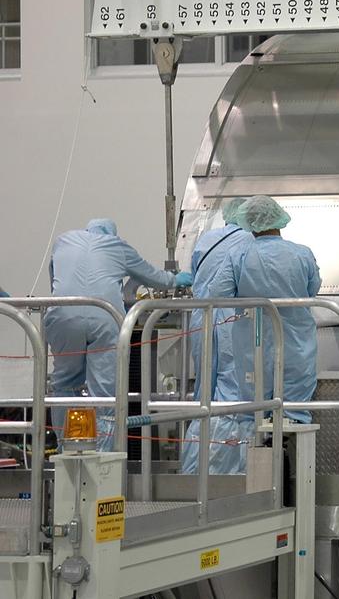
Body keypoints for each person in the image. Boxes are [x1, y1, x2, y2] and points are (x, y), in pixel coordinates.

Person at [47, 219, 191, 447]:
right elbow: (155, 277)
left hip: (63, 315)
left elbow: (56, 281)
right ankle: (102, 460)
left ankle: (67, 450)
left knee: (64, 385)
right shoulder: (117, 246)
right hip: (104, 318)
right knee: (105, 395)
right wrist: (176, 278)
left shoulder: (64, 240)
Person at [209, 196, 321, 473]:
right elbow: (313, 288)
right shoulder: (301, 253)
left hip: (253, 349)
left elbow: (217, 293)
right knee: (294, 415)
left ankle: (257, 482)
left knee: (255, 416)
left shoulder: (239, 256)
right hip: (296, 346)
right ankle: (297, 482)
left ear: (249, 224)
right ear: (279, 219)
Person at [180, 198, 253, 474]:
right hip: (229, 322)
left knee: (205, 395)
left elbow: (198, 277)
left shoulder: (206, 239)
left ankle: (191, 470)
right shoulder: (248, 241)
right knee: (232, 395)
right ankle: (224, 474)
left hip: (201, 321)